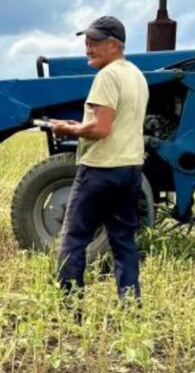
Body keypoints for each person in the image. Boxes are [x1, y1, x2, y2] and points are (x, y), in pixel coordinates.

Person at [50, 16, 149, 302]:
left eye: (94, 43)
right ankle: (129, 303)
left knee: (74, 238)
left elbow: (100, 129)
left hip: (100, 169)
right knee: (123, 241)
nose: (87, 49)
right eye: (86, 42)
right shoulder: (136, 75)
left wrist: (66, 128)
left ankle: (69, 306)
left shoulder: (107, 76)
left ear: (114, 44)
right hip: (130, 169)